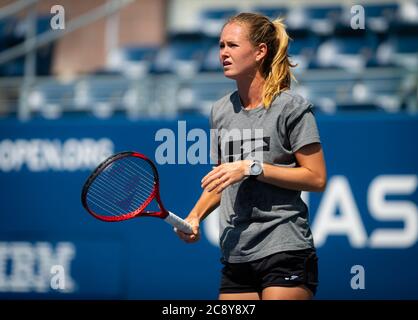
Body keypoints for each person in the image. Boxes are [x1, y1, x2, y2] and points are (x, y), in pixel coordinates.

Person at [175, 12, 327, 300]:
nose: (223, 53)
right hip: (236, 252)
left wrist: (252, 167)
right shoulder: (220, 111)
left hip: (285, 248)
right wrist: (194, 217)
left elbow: (316, 178)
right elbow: (222, 180)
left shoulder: (292, 107)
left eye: (232, 45)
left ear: (260, 52)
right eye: (221, 46)